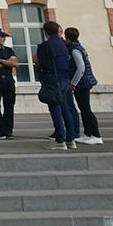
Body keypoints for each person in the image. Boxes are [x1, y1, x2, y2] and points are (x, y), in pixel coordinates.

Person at [35, 21, 76, 150]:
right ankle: (71, 139)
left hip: (52, 79)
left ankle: (60, 140)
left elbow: (40, 62)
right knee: (65, 109)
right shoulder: (64, 44)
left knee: (55, 110)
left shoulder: (45, 46)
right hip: (64, 78)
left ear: (45, 32)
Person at [65, 27, 102, 144]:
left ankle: (96, 135)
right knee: (83, 108)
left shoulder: (74, 50)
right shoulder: (78, 47)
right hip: (84, 82)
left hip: (82, 83)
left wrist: (73, 83)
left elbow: (81, 68)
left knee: (86, 109)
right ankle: (87, 134)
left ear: (67, 37)